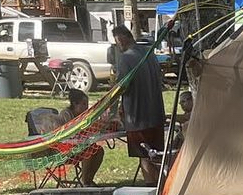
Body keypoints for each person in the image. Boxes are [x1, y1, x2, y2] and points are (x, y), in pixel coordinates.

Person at [110, 22, 166, 184]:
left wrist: (113, 108)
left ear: (122, 39)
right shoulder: (150, 54)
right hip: (156, 116)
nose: (117, 45)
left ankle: (152, 193)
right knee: (157, 156)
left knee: (145, 157)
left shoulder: (126, 58)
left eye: (117, 41)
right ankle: (164, 188)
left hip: (137, 118)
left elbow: (121, 88)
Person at [59, 88, 105, 185]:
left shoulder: (84, 116)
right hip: (65, 150)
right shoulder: (66, 114)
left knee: (99, 150)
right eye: (83, 104)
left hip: (79, 146)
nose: (86, 107)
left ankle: (89, 179)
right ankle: (85, 181)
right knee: (88, 152)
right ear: (75, 104)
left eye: (87, 104)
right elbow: (67, 134)